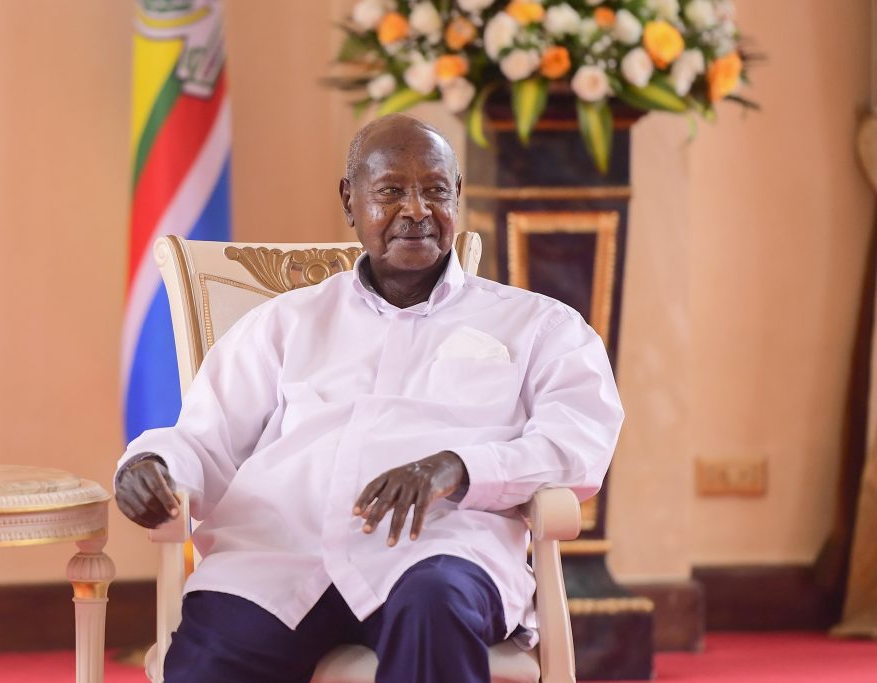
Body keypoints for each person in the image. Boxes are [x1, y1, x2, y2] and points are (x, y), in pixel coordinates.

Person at [114, 114, 624, 683]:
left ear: (457, 197)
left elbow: (578, 443)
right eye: (390, 192)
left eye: (434, 190)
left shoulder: (540, 325)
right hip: (282, 557)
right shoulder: (285, 322)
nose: (415, 210)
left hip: (440, 554)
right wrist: (152, 465)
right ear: (349, 201)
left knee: (436, 603)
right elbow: (204, 441)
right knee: (212, 655)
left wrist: (458, 467)